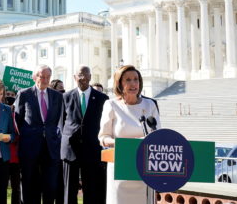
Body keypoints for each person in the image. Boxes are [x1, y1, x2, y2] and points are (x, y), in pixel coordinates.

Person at [98, 65, 161, 204]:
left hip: (145, 170)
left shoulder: (150, 105)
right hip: (120, 169)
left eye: (136, 79)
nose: (133, 83)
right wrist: (126, 144)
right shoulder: (111, 105)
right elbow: (103, 138)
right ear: (120, 84)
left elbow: (158, 136)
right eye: (128, 80)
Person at [14, 65, 63, 204]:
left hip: (50, 148)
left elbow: (57, 120)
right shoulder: (24, 94)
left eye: (48, 77)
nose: (45, 80)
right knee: (30, 186)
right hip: (30, 147)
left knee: (50, 187)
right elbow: (18, 120)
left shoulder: (57, 96)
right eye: (42, 76)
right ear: (35, 77)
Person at [61, 66, 108, 204]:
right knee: (69, 190)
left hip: (92, 149)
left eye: (86, 75)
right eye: (80, 75)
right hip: (70, 149)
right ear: (75, 78)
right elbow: (61, 122)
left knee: (92, 190)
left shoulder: (102, 98)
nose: (83, 78)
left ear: (90, 77)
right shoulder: (66, 97)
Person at [5, 88, 21, 204]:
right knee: (2, 186)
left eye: (12, 95)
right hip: (4, 156)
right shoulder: (2, 113)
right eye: (7, 94)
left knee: (16, 187)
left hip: (16, 157)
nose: (10, 96)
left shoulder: (18, 114)